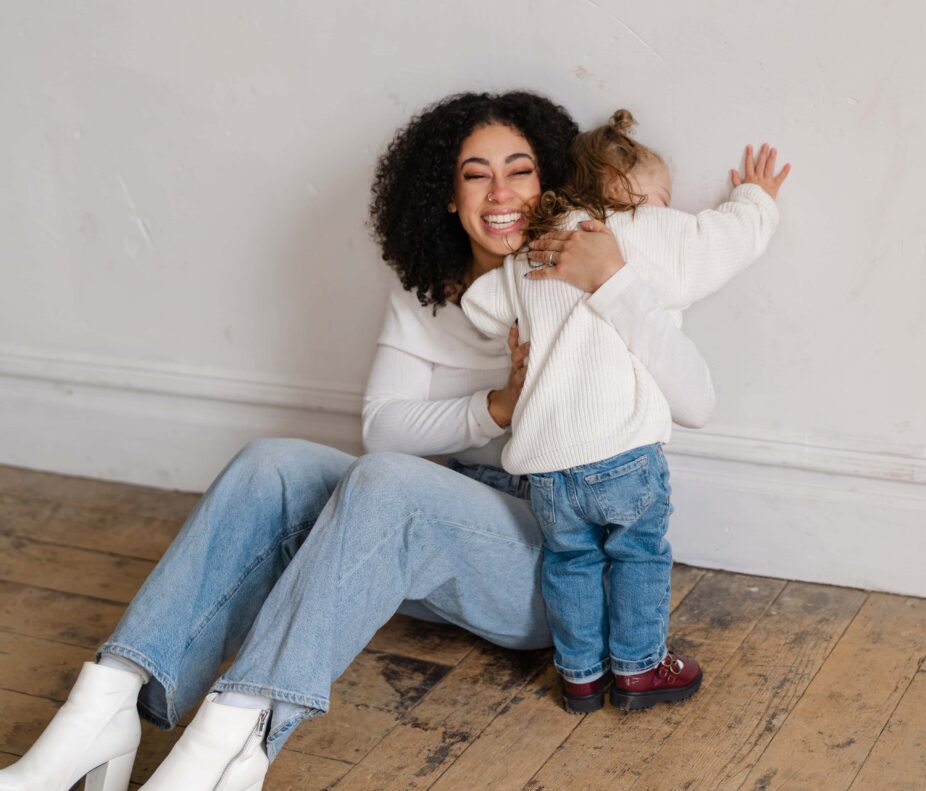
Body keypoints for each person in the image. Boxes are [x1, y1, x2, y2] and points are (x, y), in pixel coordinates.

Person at [0, 92, 719, 791]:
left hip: (556, 561)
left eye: (521, 168)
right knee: (271, 464)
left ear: (552, 180)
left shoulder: (603, 262)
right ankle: (100, 712)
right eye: (476, 173)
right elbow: (383, 428)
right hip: (434, 537)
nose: (501, 191)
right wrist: (498, 405)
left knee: (390, 483)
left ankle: (229, 744)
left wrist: (614, 284)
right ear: (447, 194)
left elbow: (697, 402)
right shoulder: (427, 289)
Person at [460, 110, 790, 713]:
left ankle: (581, 676)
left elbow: (481, 307)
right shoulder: (647, 229)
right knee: (638, 555)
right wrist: (755, 200)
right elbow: (720, 243)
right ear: (626, 186)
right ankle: (638, 670)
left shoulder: (536, 247)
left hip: (549, 467)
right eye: (662, 198)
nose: (667, 209)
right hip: (621, 454)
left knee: (571, 562)